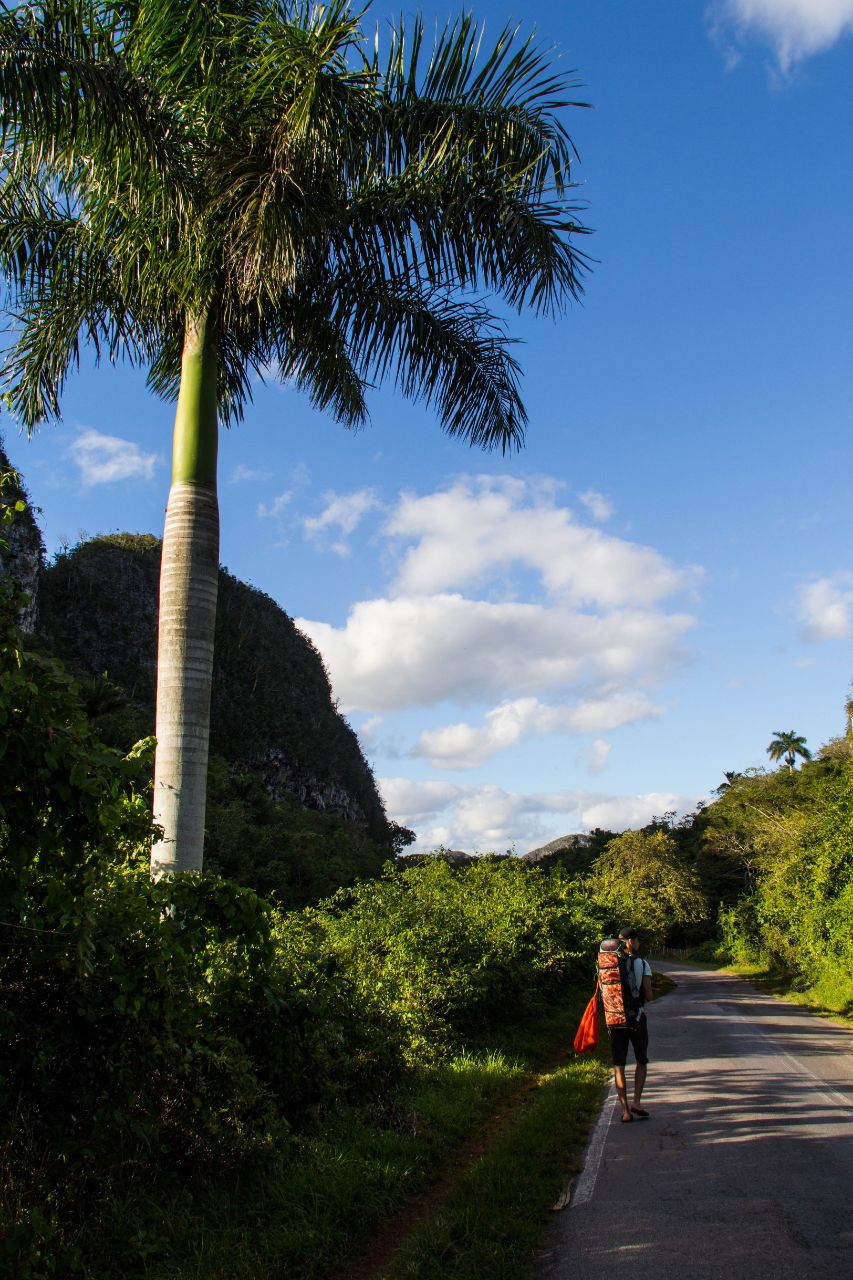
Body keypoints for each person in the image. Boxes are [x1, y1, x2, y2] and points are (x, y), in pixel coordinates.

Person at [610, 926, 653, 1123]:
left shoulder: (609, 964)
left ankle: (625, 1111)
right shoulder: (642, 964)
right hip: (636, 1019)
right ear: (630, 942)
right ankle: (637, 1101)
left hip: (616, 1020)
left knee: (619, 1065)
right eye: (636, 940)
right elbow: (650, 996)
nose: (638, 943)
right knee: (641, 1061)